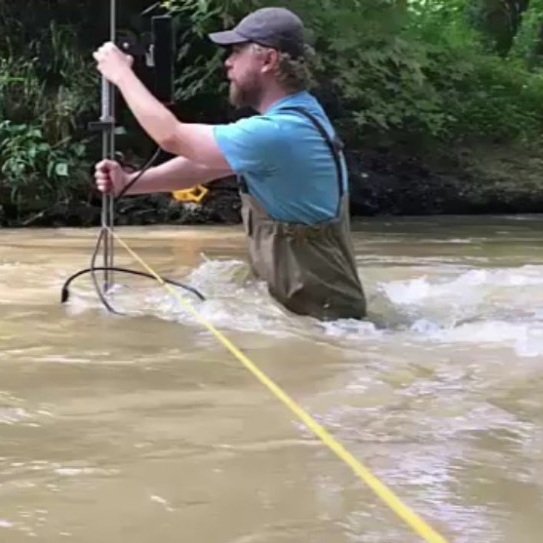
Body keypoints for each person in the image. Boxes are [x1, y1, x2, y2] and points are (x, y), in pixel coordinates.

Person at [92, 6, 367, 321]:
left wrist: (121, 74)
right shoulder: (302, 116)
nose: (227, 62)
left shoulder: (279, 131)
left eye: (236, 51)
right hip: (325, 313)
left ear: (268, 60)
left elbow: (172, 136)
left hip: (327, 322)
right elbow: (204, 165)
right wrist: (131, 183)